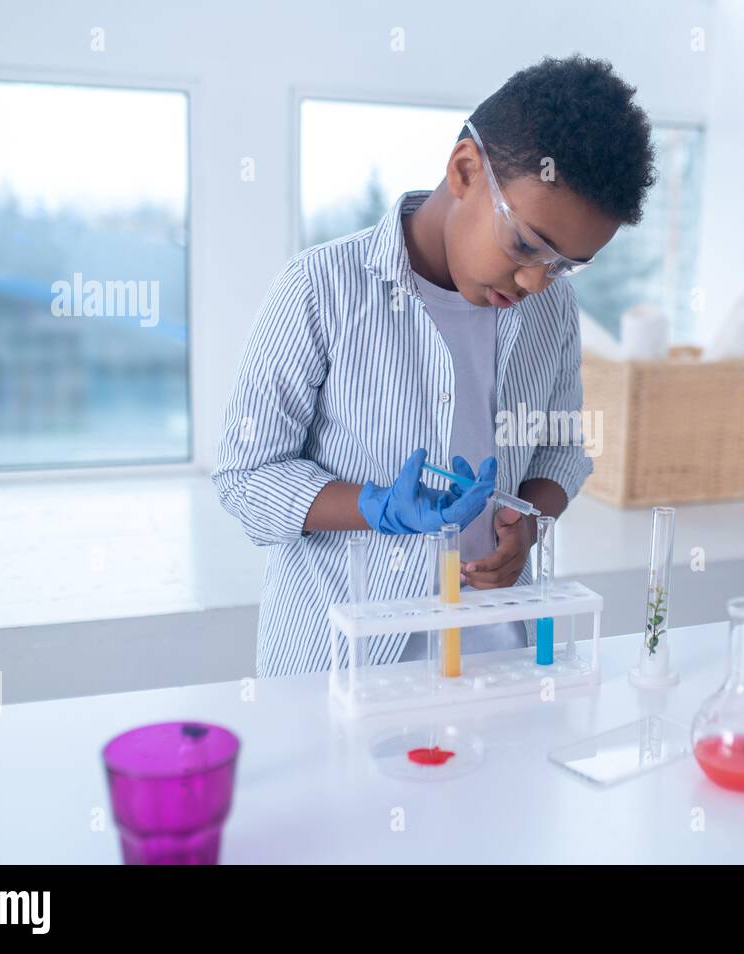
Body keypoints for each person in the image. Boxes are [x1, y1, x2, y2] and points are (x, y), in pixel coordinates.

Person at [212, 54, 656, 676]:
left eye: (563, 263)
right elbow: (245, 477)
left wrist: (528, 523)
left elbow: (561, 449)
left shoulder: (551, 307)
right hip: (345, 661)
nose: (535, 278)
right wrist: (373, 507)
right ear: (466, 169)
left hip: (499, 651)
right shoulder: (321, 289)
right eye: (526, 244)